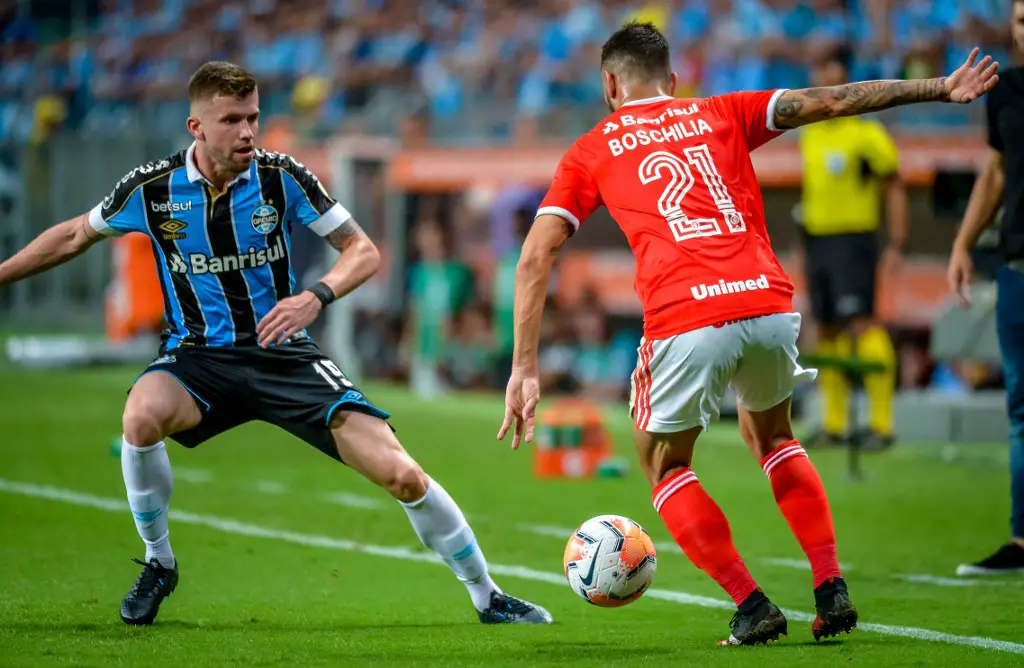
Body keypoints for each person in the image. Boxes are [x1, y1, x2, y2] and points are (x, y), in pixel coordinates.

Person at [0, 62, 552, 628]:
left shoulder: (282, 177)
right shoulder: (153, 189)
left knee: (402, 474)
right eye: (231, 120)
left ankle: (488, 596)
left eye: (254, 117)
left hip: (283, 354)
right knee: (139, 418)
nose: (247, 131)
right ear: (196, 126)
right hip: (199, 358)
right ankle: (159, 562)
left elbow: (363, 251)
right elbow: (72, 235)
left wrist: (316, 295)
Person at [498, 22, 997, 646]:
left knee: (663, 463)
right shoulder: (723, 111)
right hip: (766, 302)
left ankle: (751, 604)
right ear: (673, 80)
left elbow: (535, 256)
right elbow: (836, 100)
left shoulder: (592, 148)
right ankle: (830, 585)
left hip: (684, 315)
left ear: (609, 84)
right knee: (775, 436)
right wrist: (938, 87)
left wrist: (524, 367)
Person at [798, 45, 908, 449]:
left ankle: (882, 425)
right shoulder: (809, 135)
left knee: (863, 324)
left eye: (837, 81)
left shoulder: (868, 135)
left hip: (854, 240)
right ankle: (836, 424)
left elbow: (895, 186)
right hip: (818, 240)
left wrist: (896, 242)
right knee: (826, 329)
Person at [948, 0, 1024, 577]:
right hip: (1016, 266)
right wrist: (962, 244)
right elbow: (996, 171)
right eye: (1021, 20)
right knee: (1021, 411)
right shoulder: (1006, 90)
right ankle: (1022, 541)